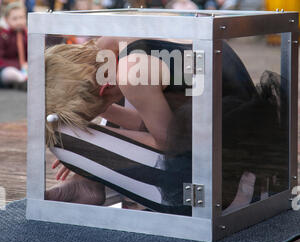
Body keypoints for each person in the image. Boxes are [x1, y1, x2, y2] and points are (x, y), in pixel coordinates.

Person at [44, 36, 288, 213]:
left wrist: (91, 137)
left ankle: (91, 184)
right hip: (225, 117)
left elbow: (170, 146)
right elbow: (146, 122)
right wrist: (94, 137)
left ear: (101, 91)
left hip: (227, 156)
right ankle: (89, 183)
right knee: (69, 130)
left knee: (61, 134)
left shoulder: (131, 75)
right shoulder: (108, 47)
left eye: (92, 111)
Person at [0, 2, 27, 90]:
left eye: (21, 17)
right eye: (15, 19)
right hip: (7, 68)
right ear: (7, 20)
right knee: (9, 73)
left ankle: (22, 81)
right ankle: (23, 80)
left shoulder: (26, 34)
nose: (19, 22)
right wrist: (17, 65)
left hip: (24, 68)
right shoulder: (3, 35)